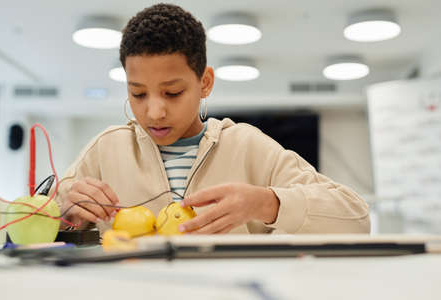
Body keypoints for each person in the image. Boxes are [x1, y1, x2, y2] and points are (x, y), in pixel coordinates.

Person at [54, 3, 370, 235]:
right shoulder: (106, 149)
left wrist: (267, 203)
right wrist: (63, 210)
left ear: (205, 82)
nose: (154, 112)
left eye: (173, 92)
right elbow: (31, 223)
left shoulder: (248, 146)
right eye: (138, 94)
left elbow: (356, 220)